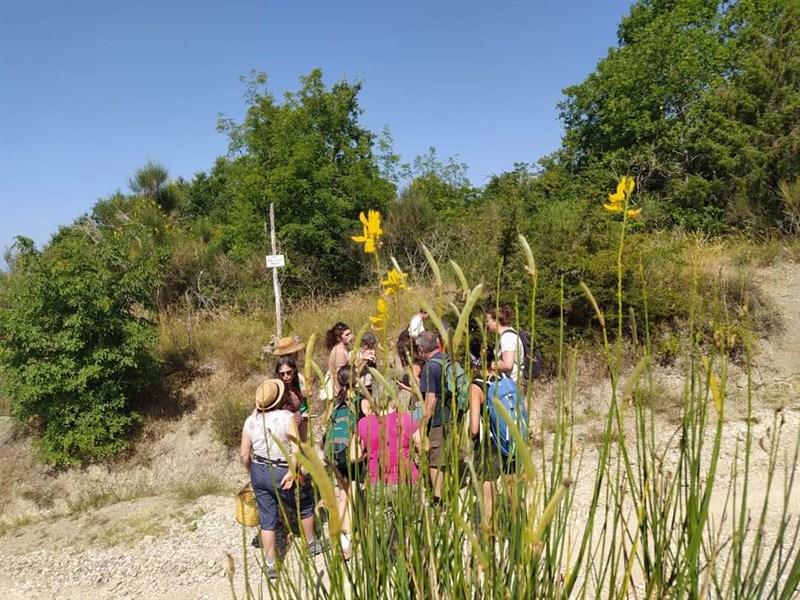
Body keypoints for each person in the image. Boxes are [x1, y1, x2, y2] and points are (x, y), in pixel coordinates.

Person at [240, 379, 323, 579]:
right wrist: (291, 472)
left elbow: (244, 455)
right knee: (304, 505)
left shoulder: (250, 420)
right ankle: (311, 544)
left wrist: (253, 471)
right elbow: (296, 449)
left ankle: (271, 566)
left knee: (267, 519)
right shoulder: (286, 418)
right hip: (281, 469)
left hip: (259, 470)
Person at [354, 389, 423, 552]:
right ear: (393, 399)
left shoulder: (364, 423)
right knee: (412, 526)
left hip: (377, 481)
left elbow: (354, 455)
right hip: (407, 479)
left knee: (378, 531)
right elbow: (422, 445)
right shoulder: (407, 419)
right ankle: (414, 565)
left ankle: (378, 570)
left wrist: (368, 452)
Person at [468, 346, 516, 539]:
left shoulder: (477, 386)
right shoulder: (506, 379)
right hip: (511, 439)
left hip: (491, 443)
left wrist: (472, 442)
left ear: (474, 363)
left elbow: (474, 427)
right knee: (512, 484)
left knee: (488, 487)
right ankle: (517, 527)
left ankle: (489, 532)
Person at [323, 365, 366, 559]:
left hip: (335, 454)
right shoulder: (360, 402)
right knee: (351, 495)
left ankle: (338, 537)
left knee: (342, 495)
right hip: (353, 456)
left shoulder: (336, 403)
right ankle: (346, 542)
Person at [416, 330, 450, 504]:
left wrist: (422, 425)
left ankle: (438, 500)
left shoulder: (430, 367)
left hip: (438, 419)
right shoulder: (447, 359)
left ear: (421, 349)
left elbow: (430, 400)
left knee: (435, 461)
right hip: (452, 416)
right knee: (447, 455)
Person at [274, 356, 309, 443]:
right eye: (282, 374)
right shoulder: (276, 390)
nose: (286, 376)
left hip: (299, 428)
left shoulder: (296, 386)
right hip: (285, 434)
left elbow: (309, 392)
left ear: (294, 371)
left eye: (289, 372)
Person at [486, 306, 524, 384]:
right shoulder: (507, 335)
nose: (486, 324)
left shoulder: (507, 337)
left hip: (513, 384)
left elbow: (508, 365)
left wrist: (490, 365)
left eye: (488, 321)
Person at [326, 322, 354, 397]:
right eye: (347, 335)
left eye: (350, 333)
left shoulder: (341, 349)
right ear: (339, 338)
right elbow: (342, 377)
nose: (350, 336)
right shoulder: (339, 353)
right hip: (342, 395)